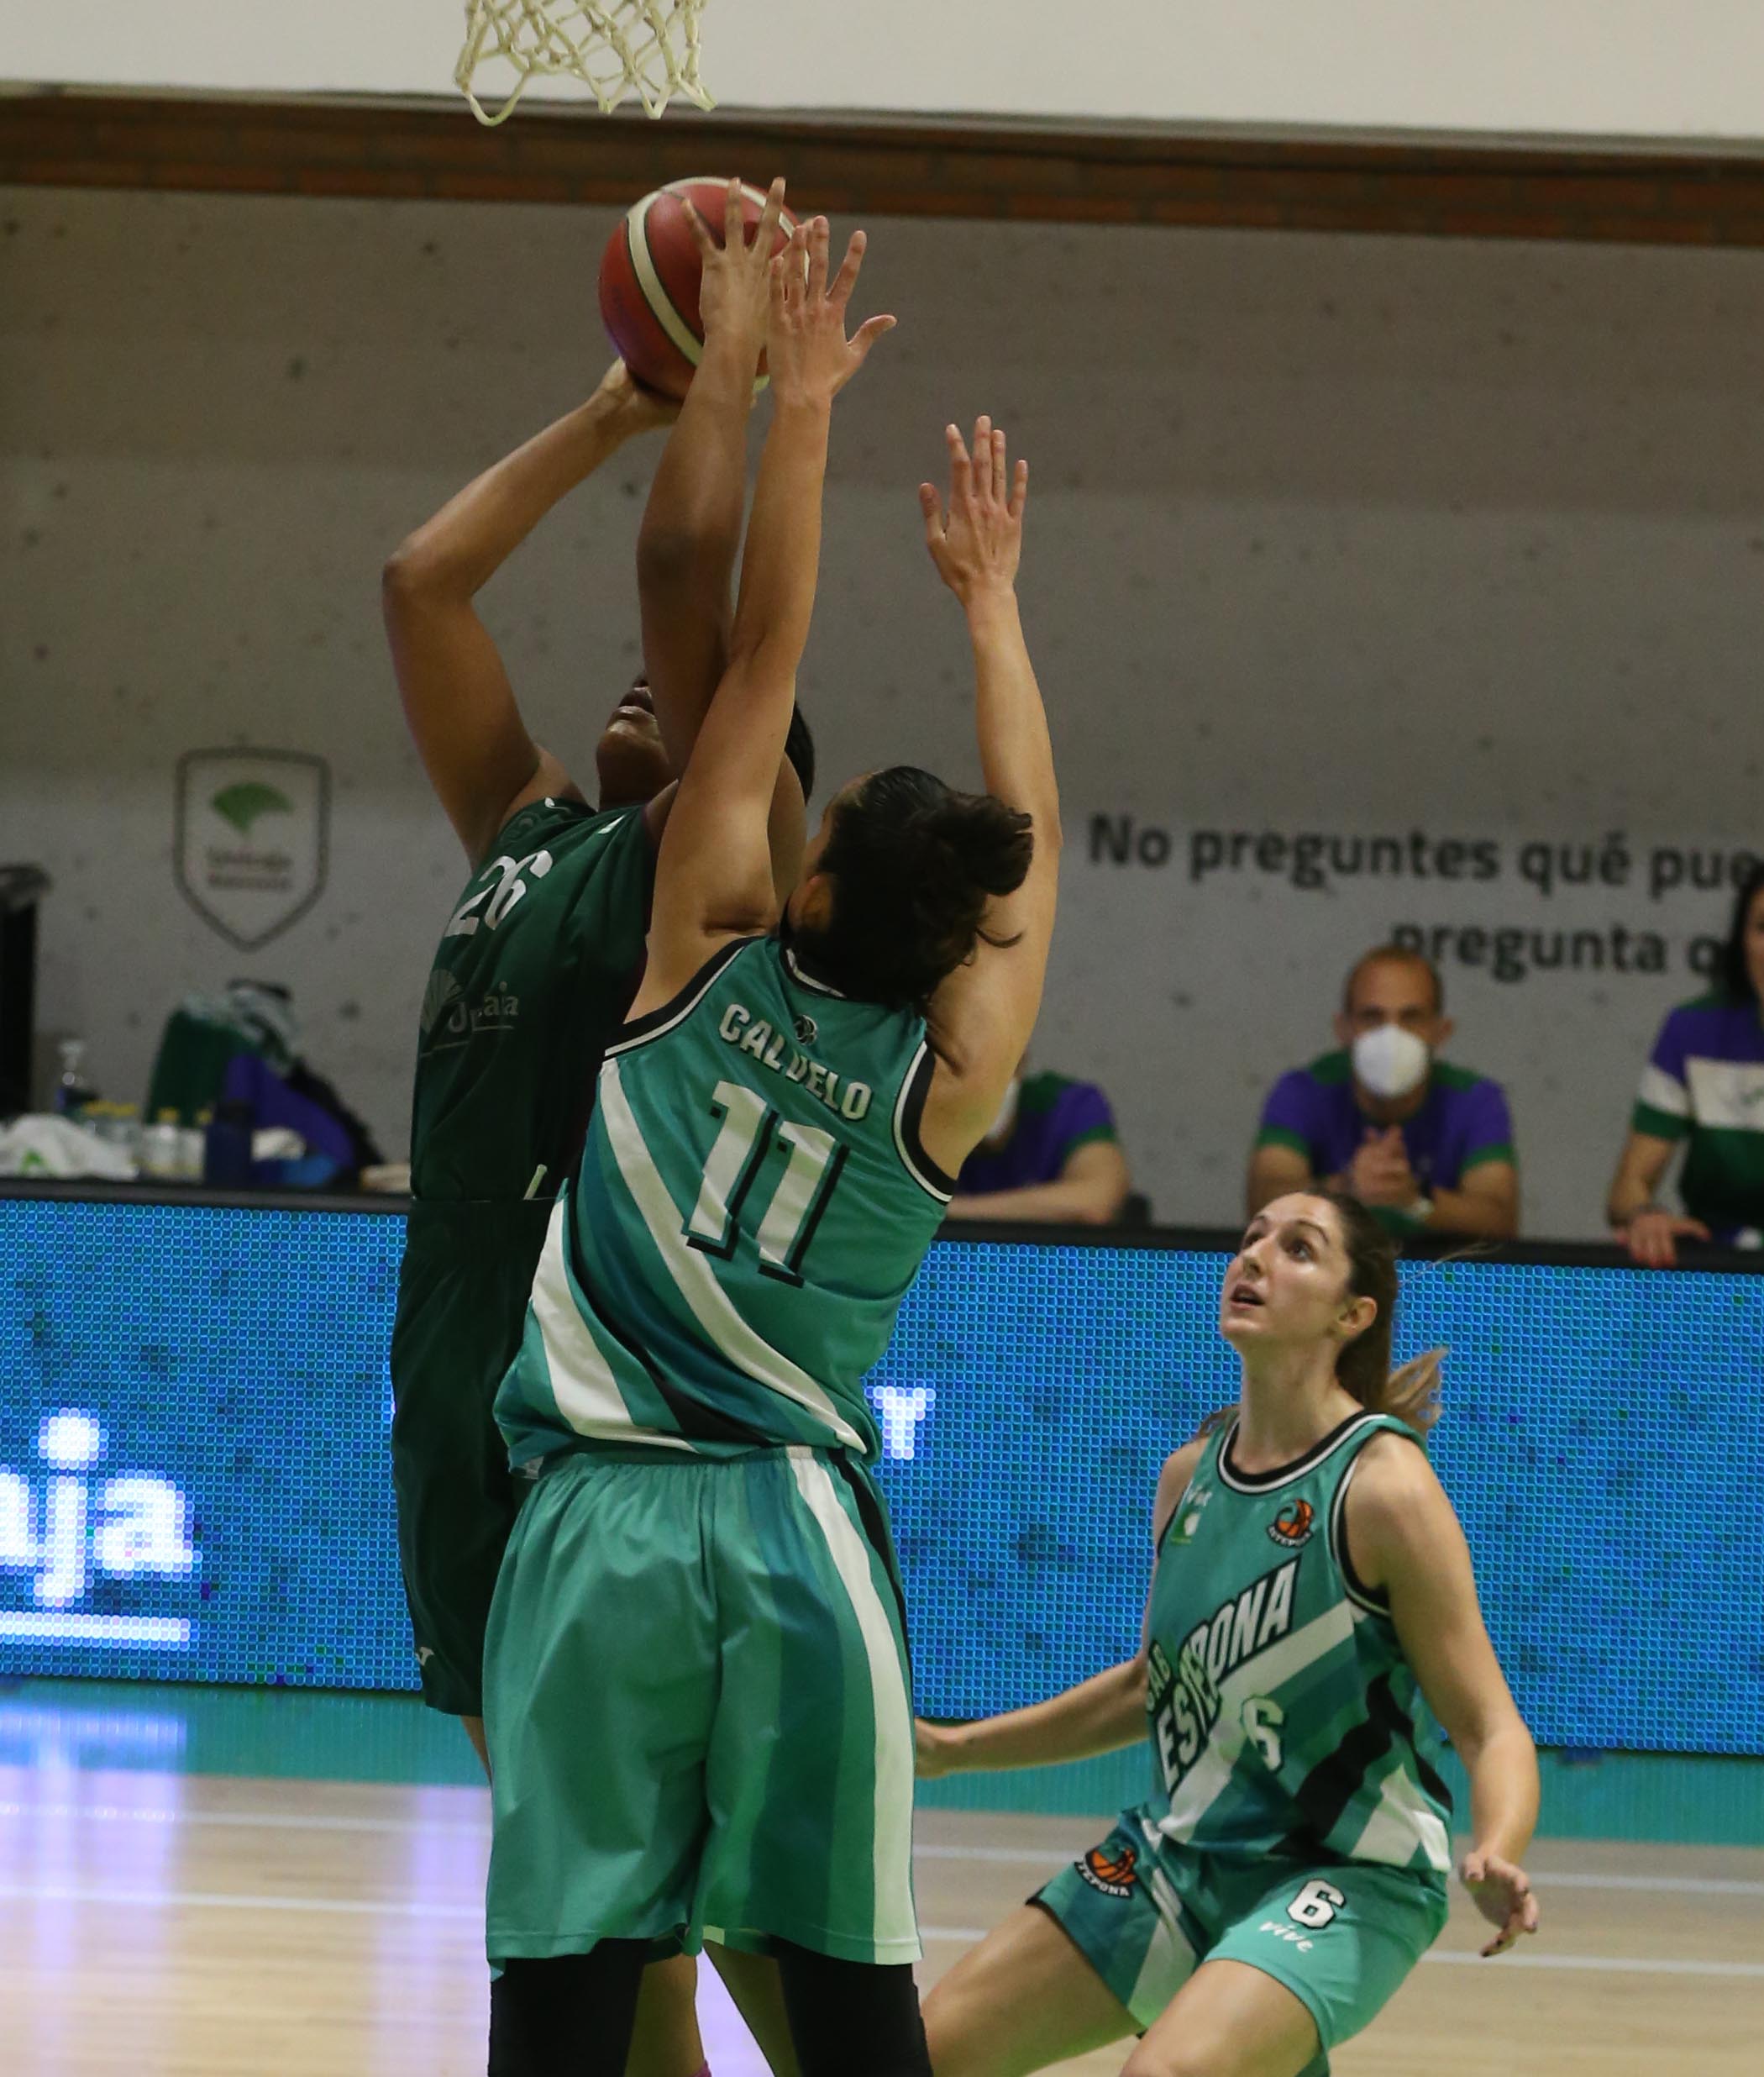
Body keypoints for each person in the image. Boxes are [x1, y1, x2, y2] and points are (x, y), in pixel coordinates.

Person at [480, 219, 1059, 2077]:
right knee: (846, 1995)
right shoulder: (945, 1083)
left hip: (605, 1517)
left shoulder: (694, 947)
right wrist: (996, 610)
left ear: (807, 878)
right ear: (951, 943)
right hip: (803, 1541)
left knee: (572, 1963)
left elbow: (762, 647)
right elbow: (1034, 854)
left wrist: (794, 404)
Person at [383, 180, 810, 2077]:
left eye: (709, 709)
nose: (650, 688)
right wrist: (618, 404)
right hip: (449, 1376)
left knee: (646, 1876)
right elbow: (421, 585)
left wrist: (725, 387)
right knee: (586, 1879)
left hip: (584, 1402)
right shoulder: (534, 843)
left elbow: (681, 576)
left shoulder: (688, 890)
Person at [916, 1188, 1540, 2077]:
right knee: (922, 2055)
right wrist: (950, 1750)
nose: (1253, 1258)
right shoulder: (1190, 1476)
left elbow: (1489, 1725)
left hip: (1346, 1873)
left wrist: (1497, 1849)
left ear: (1351, 1314)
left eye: (1297, 1249)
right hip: (1177, 1857)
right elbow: (1151, 1687)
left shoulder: (1384, 1488)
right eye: (1250, 1239)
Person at [1248, 947, 1518, 1239]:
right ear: (1344, 1029)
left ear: (1441, 1031)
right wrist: (1345, 1189)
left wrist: (1415, 1201)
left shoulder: (1475, 1100)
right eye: (1372, 1017)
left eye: (1411, 1017)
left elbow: (1500, 1219)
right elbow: (1262, 1201)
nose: (1391, 1037)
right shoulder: (1302, 1092)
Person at [1609, 862, 1764, 1265]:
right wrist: (1644, 1216)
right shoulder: (1692, 1030)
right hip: (1720, 1273)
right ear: (1741, 940)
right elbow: (1628, 1188)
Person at [946, 1053, 1132, 1224]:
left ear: (1022, 1059)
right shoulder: (922, 1115)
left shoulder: (1066, 1106)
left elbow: (1095, 1201)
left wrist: (941, 1213)